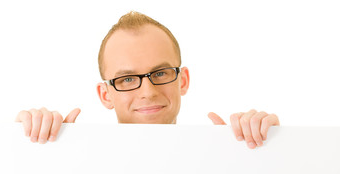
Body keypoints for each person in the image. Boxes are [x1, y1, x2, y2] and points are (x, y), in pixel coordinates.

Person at [15, 11, 279, 149]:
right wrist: (32, 144)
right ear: (105, 94)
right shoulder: (73, 164)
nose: (148, 90)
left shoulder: (227, 157)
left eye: (160, 73)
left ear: (183, 80)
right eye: (128, 79)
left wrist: (272, 146)